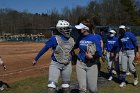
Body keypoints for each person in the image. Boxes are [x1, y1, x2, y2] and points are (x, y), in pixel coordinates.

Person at [33, 20, 75, 93]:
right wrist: (36, 58)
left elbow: (70, 51)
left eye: (68, 28)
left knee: (66, 87)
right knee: (51, 88)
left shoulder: (71, 39)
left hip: (67, 65)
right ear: (60, 29)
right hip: (55, 64)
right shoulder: (54, 39)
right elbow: (44, 49)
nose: (68, 30)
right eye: (66, 28)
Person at [74, 21, 102, 93]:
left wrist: (92, 57)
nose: (79, 30)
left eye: (80, 29)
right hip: (80, 64)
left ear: (85, 29)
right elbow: (75, 46)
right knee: (82, 89)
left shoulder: (94, 38)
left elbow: (99, 53)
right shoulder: (80, 37)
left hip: (91, 65)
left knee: (92, 89)